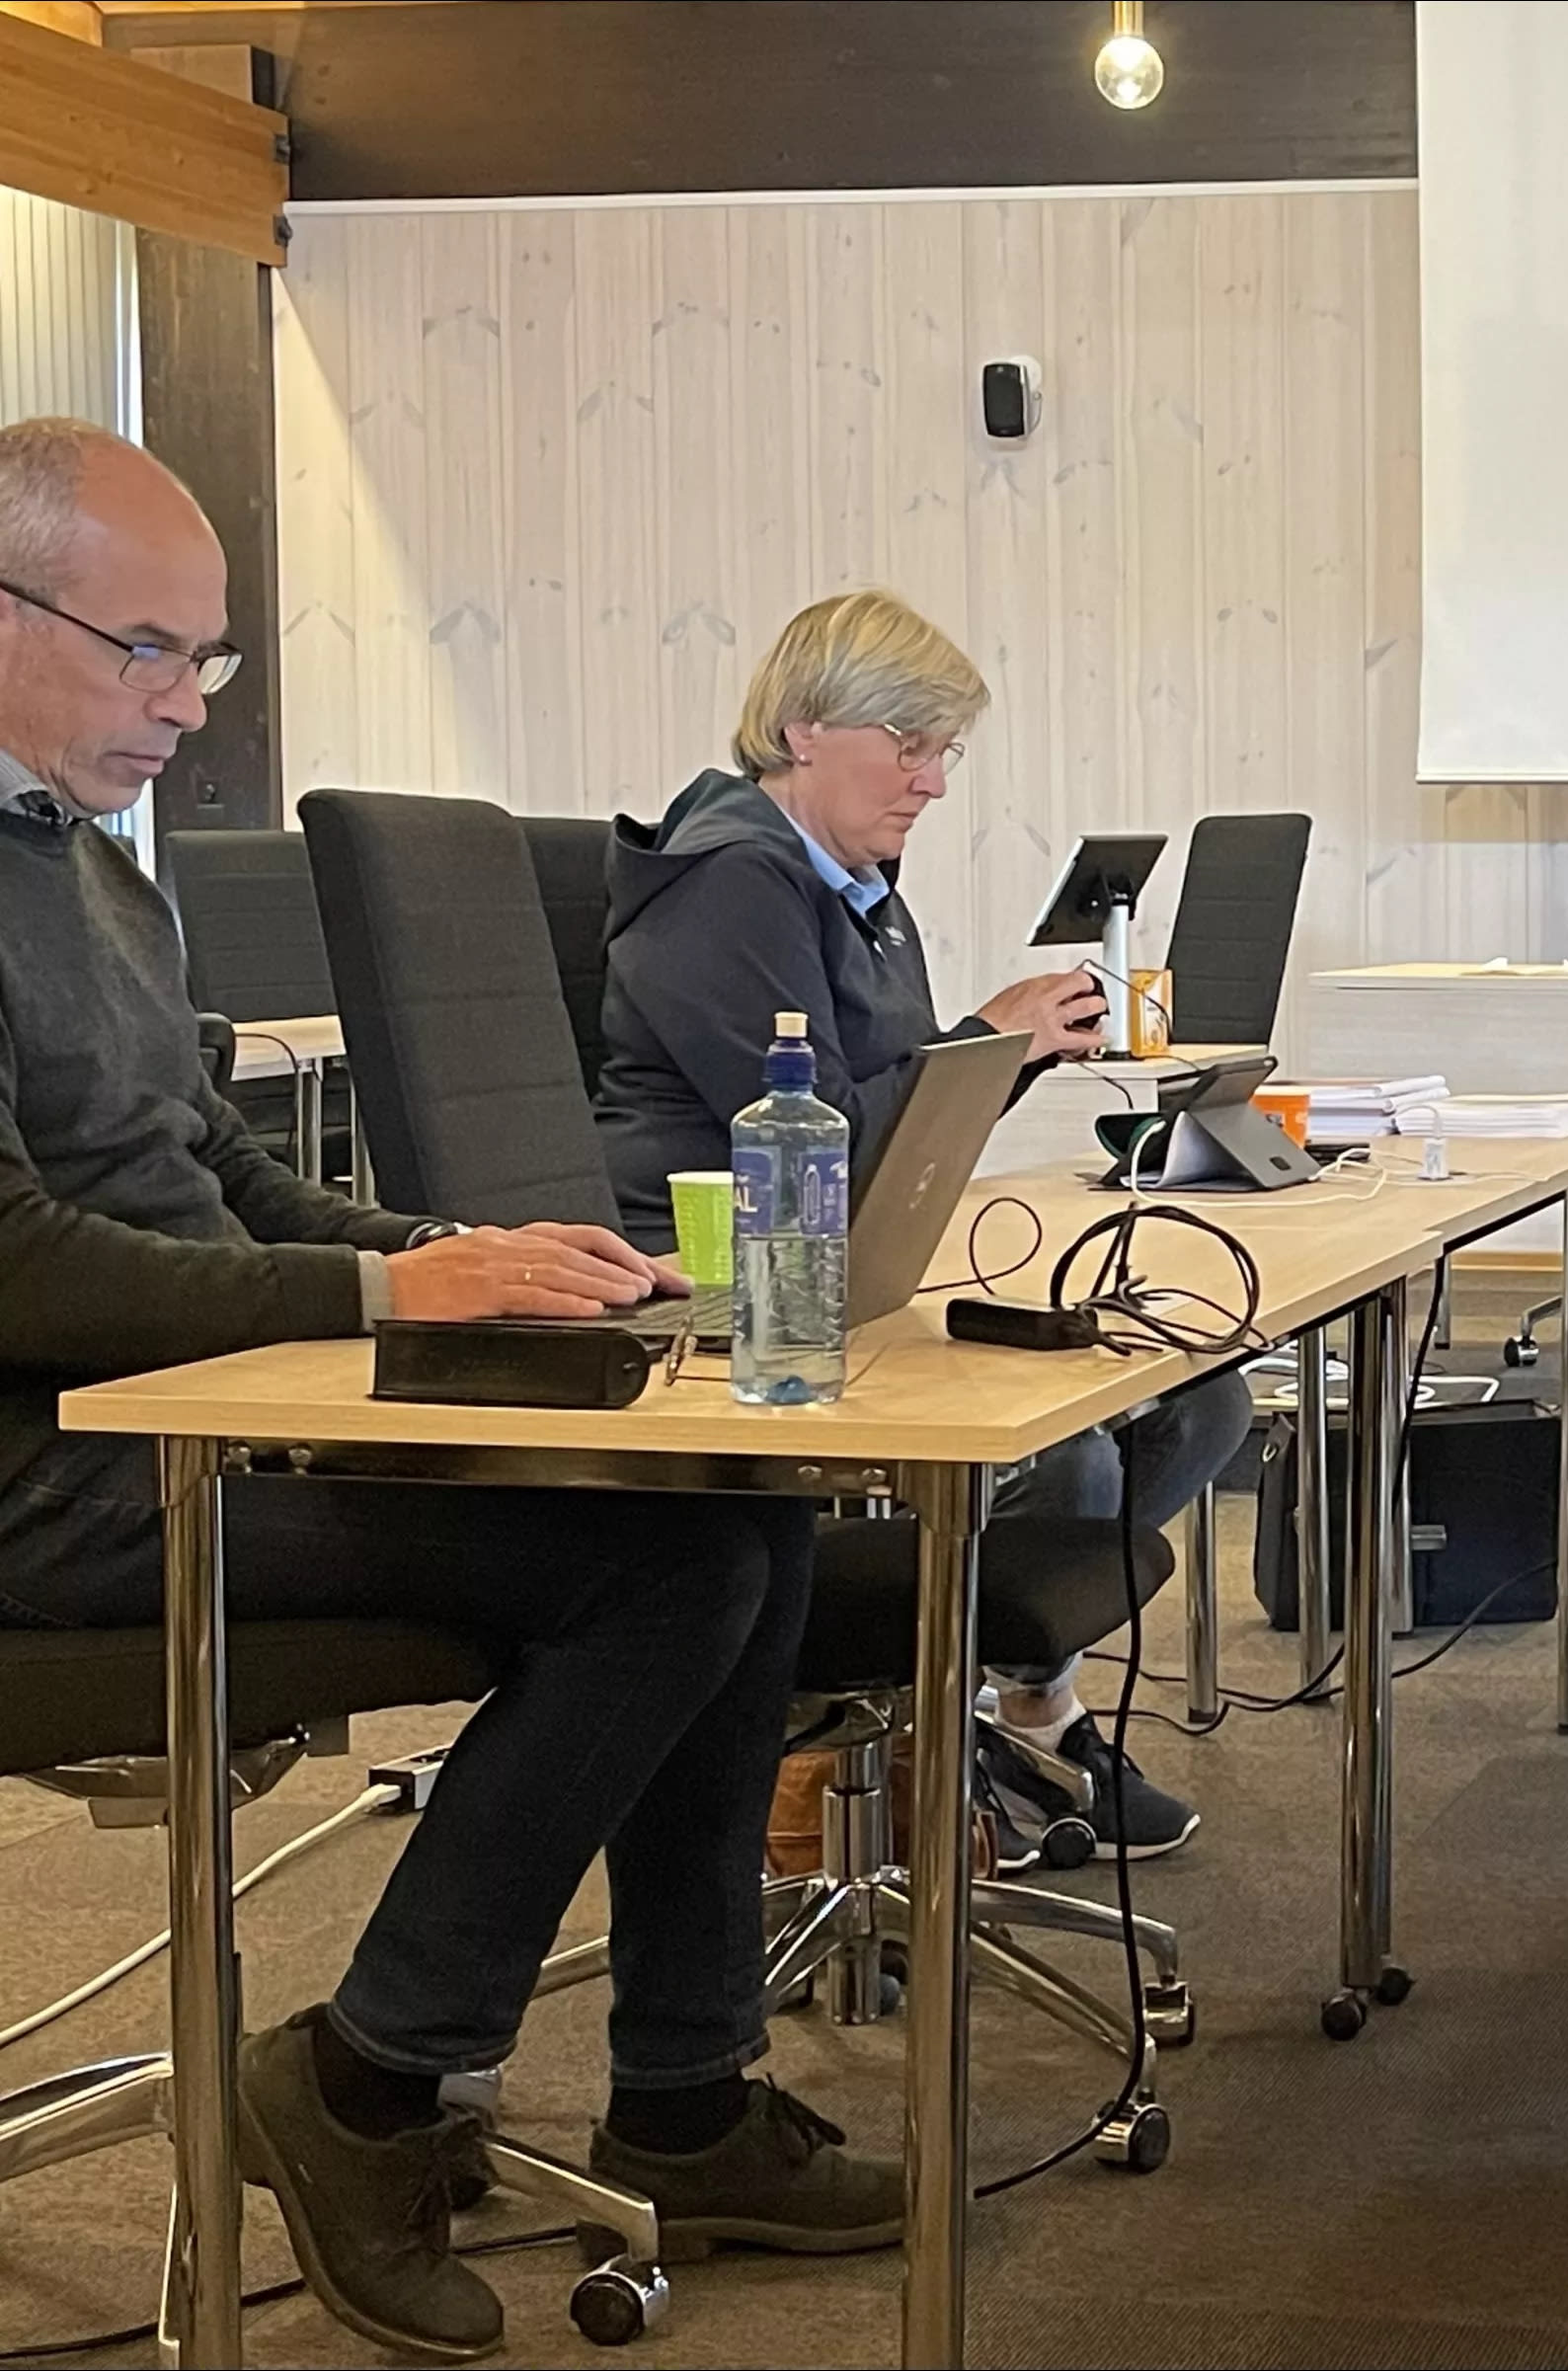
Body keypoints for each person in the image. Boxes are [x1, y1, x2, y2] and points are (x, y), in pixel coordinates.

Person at [0, 418, 895, 2363]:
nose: (188, 704)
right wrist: (392, 1289)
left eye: (207, 655)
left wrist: (471, 1259)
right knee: (661, 1570)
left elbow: (221, 1175)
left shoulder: (97, 879)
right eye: (144, 648)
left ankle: (685, 2095)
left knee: (732, 1505)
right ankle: (366, 2083)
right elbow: (20, 1268)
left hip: (211, 1416)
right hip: (53, 1481)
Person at [595, 588, 1250, 1861]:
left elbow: (901, 1132)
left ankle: (1000, 1714)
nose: (933, 782)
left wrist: (1006, 1053)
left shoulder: (854, 886)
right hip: (729, 1290)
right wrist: (987, 1039)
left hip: (858, 1268)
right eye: (908, 745)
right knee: (1074, 1456)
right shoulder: (728, 880)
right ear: (801, 728)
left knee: (1200, 1398)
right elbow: (815, 1136)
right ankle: (933, 1725)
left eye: (943, 750)